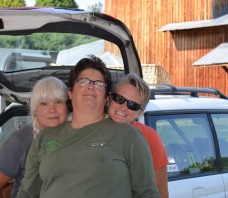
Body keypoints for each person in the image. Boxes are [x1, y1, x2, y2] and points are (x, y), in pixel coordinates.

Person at [17, 55, 160, 198]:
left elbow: (147, 193)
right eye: (84, 81)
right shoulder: (45, 137)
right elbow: (27, 193)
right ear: (70, 92)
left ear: (106, 97)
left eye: (99, 84)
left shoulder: (128, 135)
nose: (91, 86)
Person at [0, 77, 69, 198]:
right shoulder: (19, 141)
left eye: (58, 101)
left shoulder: (79, 136)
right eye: (44, 103)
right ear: (35, 110)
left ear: (68, 105)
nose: (52, 109)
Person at [107, 73, 169, 198]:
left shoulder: (149, 137)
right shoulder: (91, 129)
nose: (123, 107)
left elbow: (161, 192)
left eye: (133, 105)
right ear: (109, 99)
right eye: (119, 99)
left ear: (140, 112)